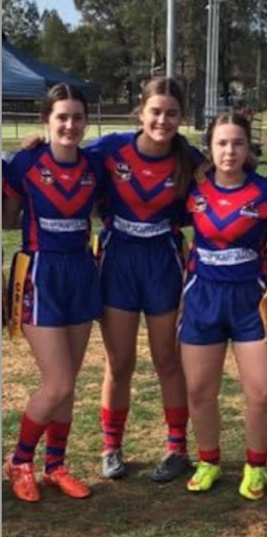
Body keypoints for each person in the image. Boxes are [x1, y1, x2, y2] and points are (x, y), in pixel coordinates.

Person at [91, 77, 202, 482]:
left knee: (167, 360)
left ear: (181, 117)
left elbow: (231, 184)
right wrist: (34, 148)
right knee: (119, 362)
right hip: (118, 260)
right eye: (156, 111)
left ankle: (177, 448)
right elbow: (62, 158)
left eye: (172, 113)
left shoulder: (190, 160)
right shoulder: (110, 150)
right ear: (141, 112)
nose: (163, 120)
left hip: (162, 262)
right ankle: (111, 447)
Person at [3, 83, 103, 502]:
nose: (70, 125)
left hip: (80, 271)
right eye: (62, 117)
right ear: (47, 120)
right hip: (39, 273)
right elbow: (7, 218)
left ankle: (55, 465)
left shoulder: (94, 165)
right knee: (57, 382)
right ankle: (20, 461)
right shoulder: (24, 163)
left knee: (69, 381)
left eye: (77, 117)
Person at [178, 113, 267, 498]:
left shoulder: (266, 191)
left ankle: (256, 465)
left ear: (248, 147)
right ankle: (208, 460)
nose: (230, 151)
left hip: (251, 300)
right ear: (209, 148)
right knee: (200, 390)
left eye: (238, 143)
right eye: (221, 143)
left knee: (262, 392)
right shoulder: (194, 188)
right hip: (203, 297)